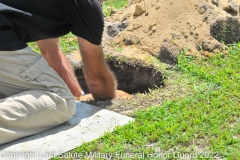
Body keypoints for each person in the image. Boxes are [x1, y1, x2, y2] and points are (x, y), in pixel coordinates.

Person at [0, 0, 127, 145]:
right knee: (62, 101)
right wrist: (111, 97)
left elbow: (50, 53)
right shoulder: (89, 5)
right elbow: (97, 79)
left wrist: (80, 96)